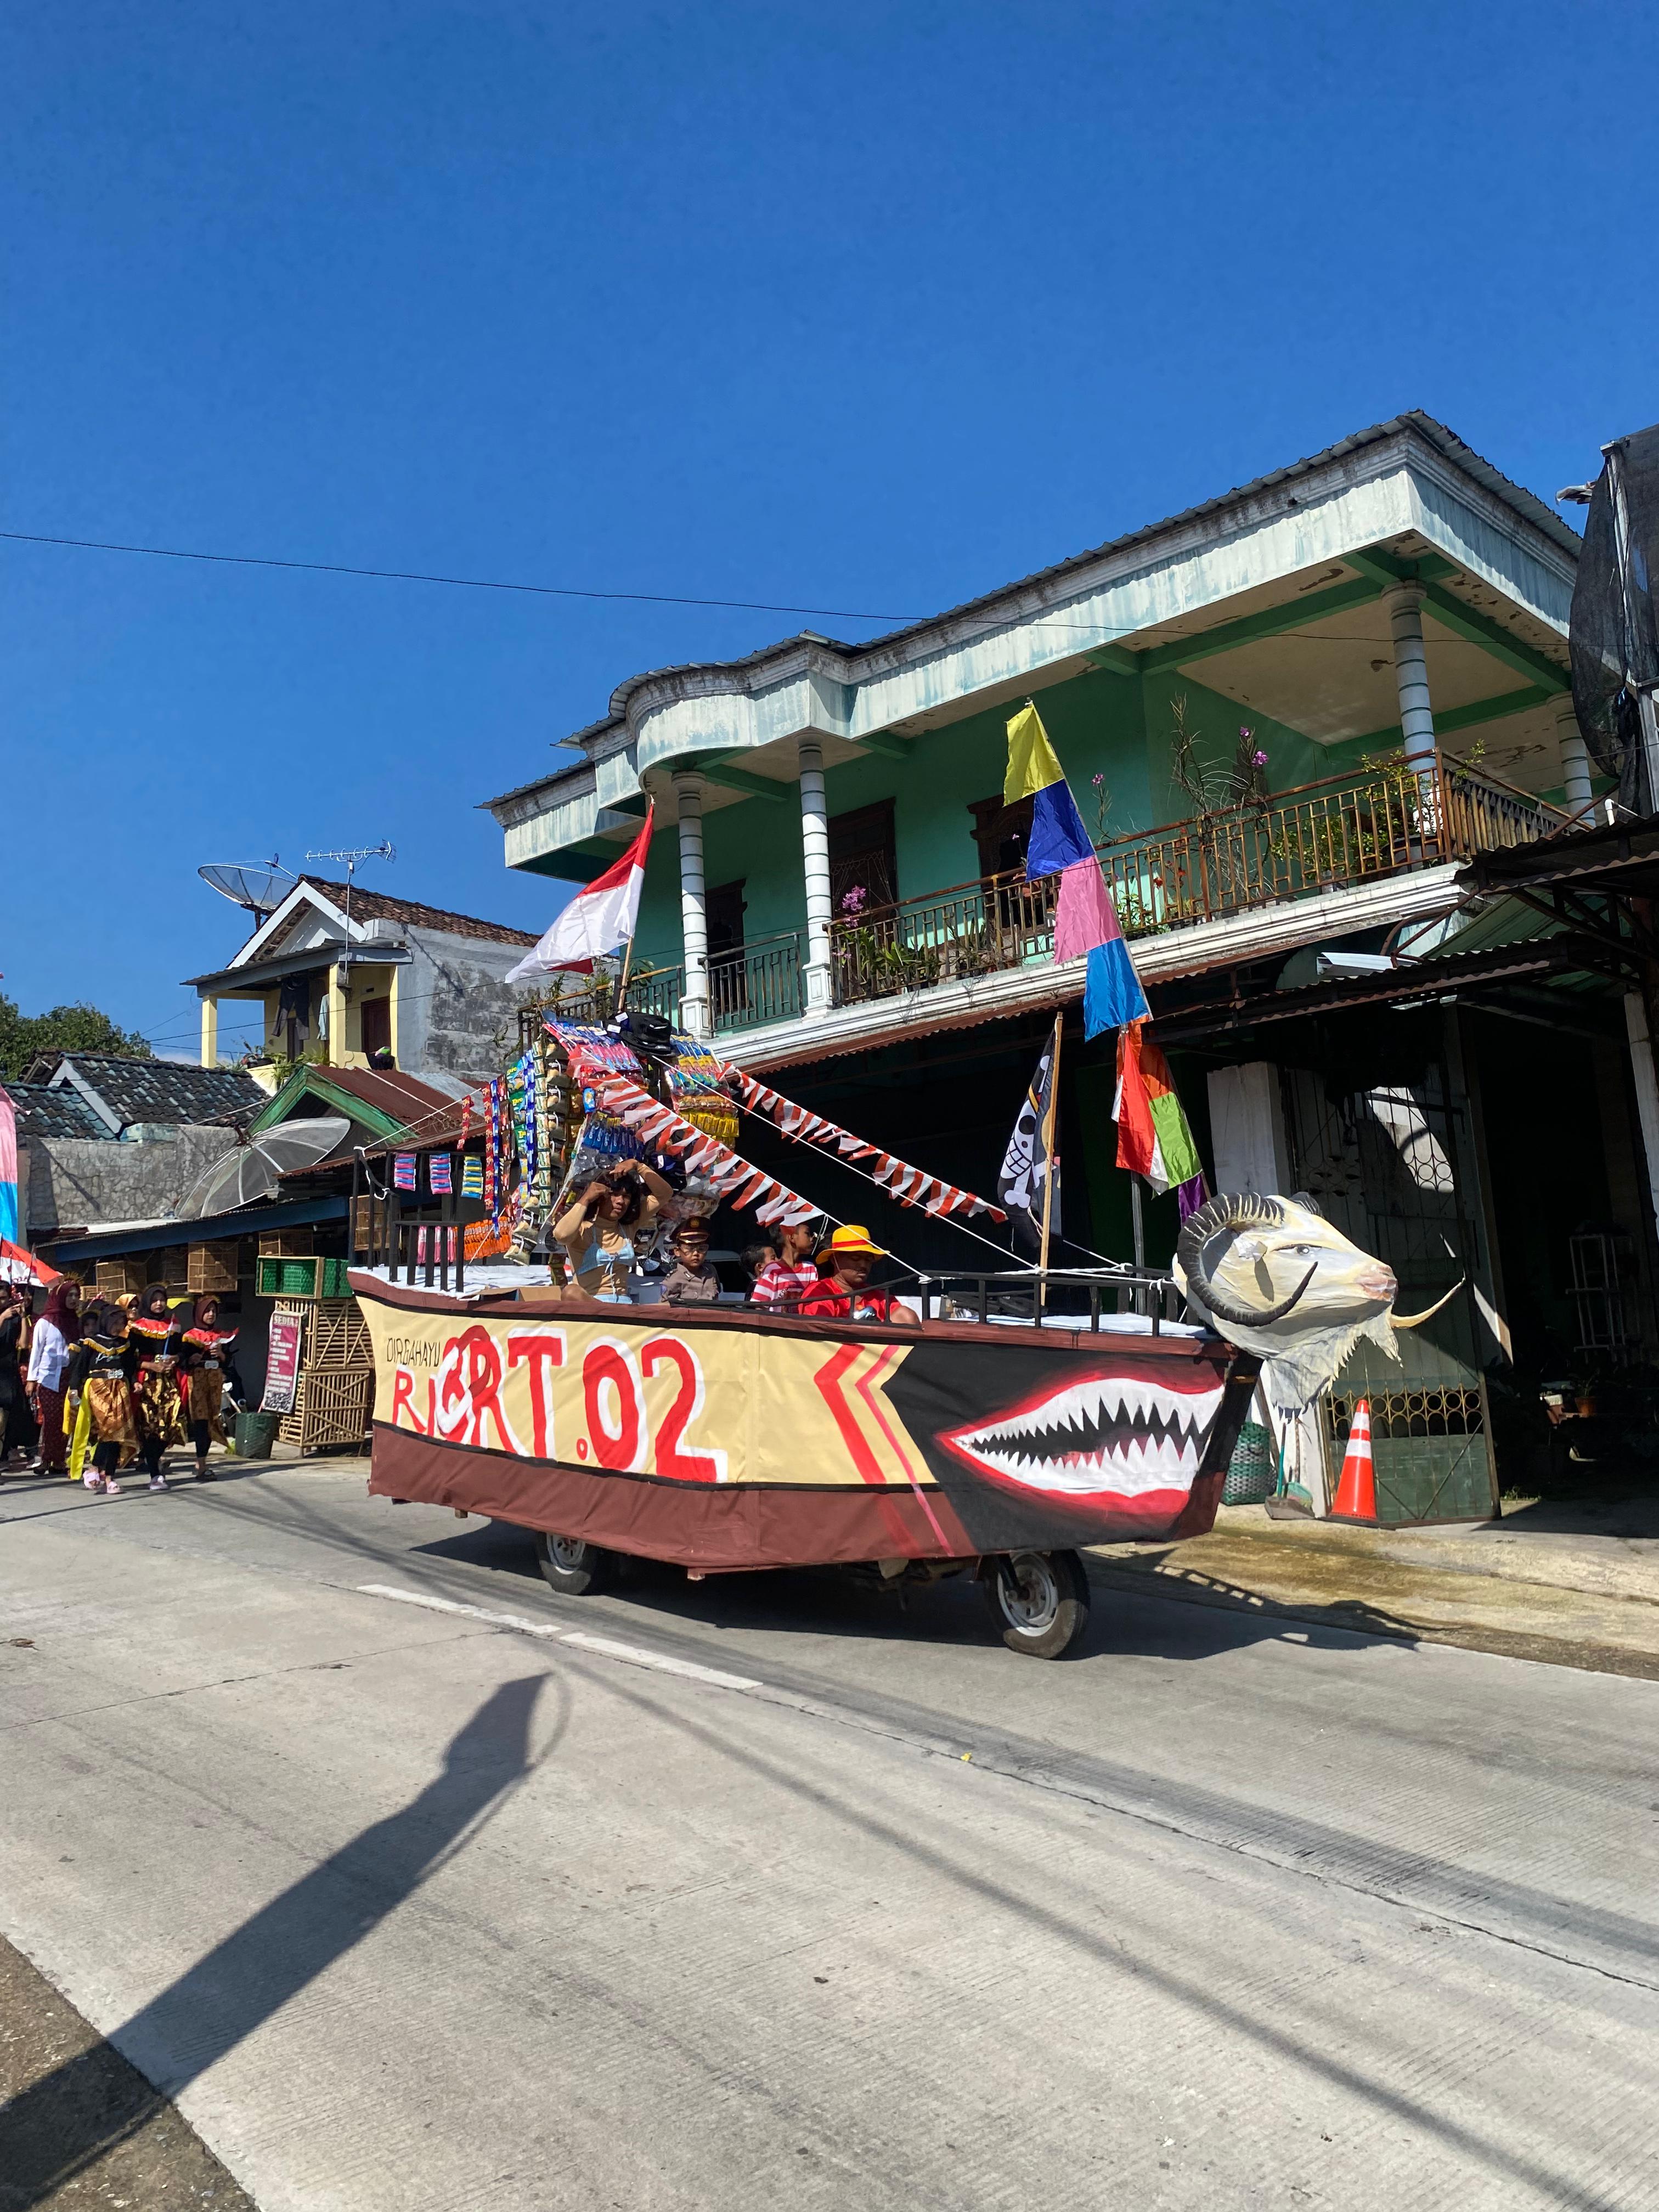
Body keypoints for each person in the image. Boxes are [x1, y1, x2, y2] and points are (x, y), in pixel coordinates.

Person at [552, 1160, 672, 1302]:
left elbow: (664, 1194)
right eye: (614, 1194)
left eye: (626, 1196)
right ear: (599, 1196)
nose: (620, 1201)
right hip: (591, 1306)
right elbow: (561, 1235)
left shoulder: (629, 1226)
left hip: (623, 1305)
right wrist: (586, 1199)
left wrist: (638, 1166)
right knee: (571, 1292)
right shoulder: (581, 1228)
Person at [61, 1301, 140, 1495]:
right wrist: (73, 1390)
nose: (117, 1327)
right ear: (105, 1322)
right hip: (98, 1389)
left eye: (121, 1323)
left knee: (117, 1434)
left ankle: (108, 1478)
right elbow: (79, 1370)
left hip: (120, 1389)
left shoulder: (125, 1345)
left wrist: (134, 1381)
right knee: (110, 1429)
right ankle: (95, 1468)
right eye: (114, 1322)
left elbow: (130, 1367)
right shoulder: (91, 1344)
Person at [796, 1226, 920, 1328]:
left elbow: (903, 1317)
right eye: (855, 1259)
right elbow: (819, 1334)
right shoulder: (819, 1292)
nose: (863, 1265)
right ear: (835, 1260)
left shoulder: (879, 1297)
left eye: (868, 1260)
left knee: (906, 1314)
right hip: (837, 1355)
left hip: (882, 1357)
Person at [128, 1283, 186, 1490]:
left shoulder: (174, 1325)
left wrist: (175, 1358)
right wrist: (150, 1365)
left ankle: (153, 1461)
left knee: (173, 1422)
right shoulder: (136, 1328)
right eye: (155, 1300)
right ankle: (155, 1473)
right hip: (147, 1383)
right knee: (150, 1427)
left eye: (162, 1300)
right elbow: (128, 1359)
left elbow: (182, 1352)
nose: (159, 1304)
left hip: (169, 1382)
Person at [179, 1295, 241, 1481]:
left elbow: (229, 1362)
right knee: (200, 1421)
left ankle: (203, 1462)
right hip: (197, 1381)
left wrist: (221, 1355)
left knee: (211, 1420)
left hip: (214, 1381)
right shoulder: (188, 1337)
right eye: (207, 1311)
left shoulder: (221, 1336)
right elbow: (182, 1362)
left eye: (214, 1311)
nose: (211, 1314)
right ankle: (201, 1463)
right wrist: (191, 1360)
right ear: (199, 1313)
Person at [26, 1278, 81, 1475]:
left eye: (77, 1295)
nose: (74, 1299)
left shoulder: (76, 1321)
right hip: (49, 1379)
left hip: (71, 1378)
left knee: (67, 1418)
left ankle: (59, 1460)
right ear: (60, 1297)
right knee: (51, 1420)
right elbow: (37, 1351)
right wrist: (31, 1380)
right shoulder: (45, 1322)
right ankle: (46, 1459)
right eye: (70, 1295)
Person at [748, 1220, 823, 1313]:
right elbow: (760, 1306)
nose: (812, 1238)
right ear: (792, 1237)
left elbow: (814, 1302)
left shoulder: (810, 1269)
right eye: (807, 1234)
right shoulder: (772, 1270)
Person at [0, 1285, 36, 1469]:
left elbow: (23, 1344)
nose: (2, 1302)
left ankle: (6, 1454)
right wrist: (1, 1318)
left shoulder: (13, 1319)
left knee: (9, 1417)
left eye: (5, 1298)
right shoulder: (4, 1317)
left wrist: (23, 1318)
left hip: (9, 1372)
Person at [661, 1218, 722, 1306]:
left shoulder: (711, 1271)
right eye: (690, 1249)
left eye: (702, 1249)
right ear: (677, 1251)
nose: (696, 1254)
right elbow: (664, 1309)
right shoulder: (674, 1279)